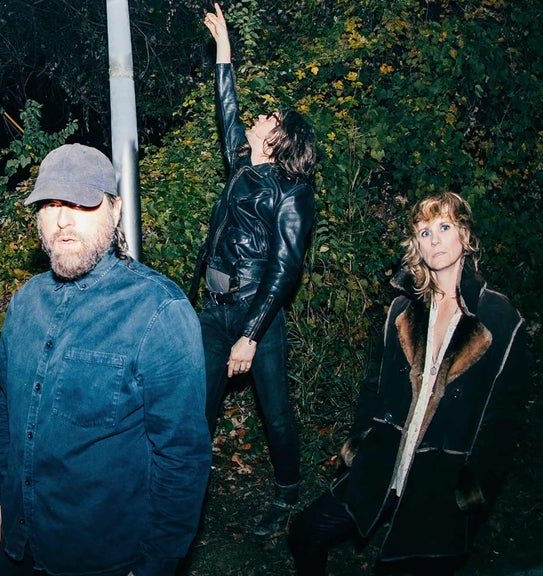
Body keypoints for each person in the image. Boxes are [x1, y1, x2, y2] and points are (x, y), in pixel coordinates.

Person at [0, 144, 212, 576]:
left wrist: (156, 564)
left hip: (98, 556)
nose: (62, 220)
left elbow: (182, 457)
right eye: (50, 204)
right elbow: (9, 409)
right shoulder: (25, 302)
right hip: (14, 544)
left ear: (115, 210)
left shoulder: (159, 311)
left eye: (81, 203)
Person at [287, 192, 531, 575]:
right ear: (416, 244)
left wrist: (474, 487)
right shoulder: (403, 310)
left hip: (439, 482)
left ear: (465, 235)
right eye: (424, 232)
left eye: (444, 227)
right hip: (385, 461)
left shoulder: (500, 320)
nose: (434, 239)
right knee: (306, 531)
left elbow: (502, 421)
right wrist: (359, 443)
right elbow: (373, 386)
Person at [190, 2, 317, 536]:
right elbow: (227, 110)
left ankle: (287, 493)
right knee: (199, 404)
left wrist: (250, 335)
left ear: (279, 137)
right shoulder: (242, 163)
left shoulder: (293, 193)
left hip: (255, 315)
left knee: (275, 411)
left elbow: (285, 271)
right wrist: (224, 49)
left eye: (270, 118)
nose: (259, 117)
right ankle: (185, 491)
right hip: (213, 309)